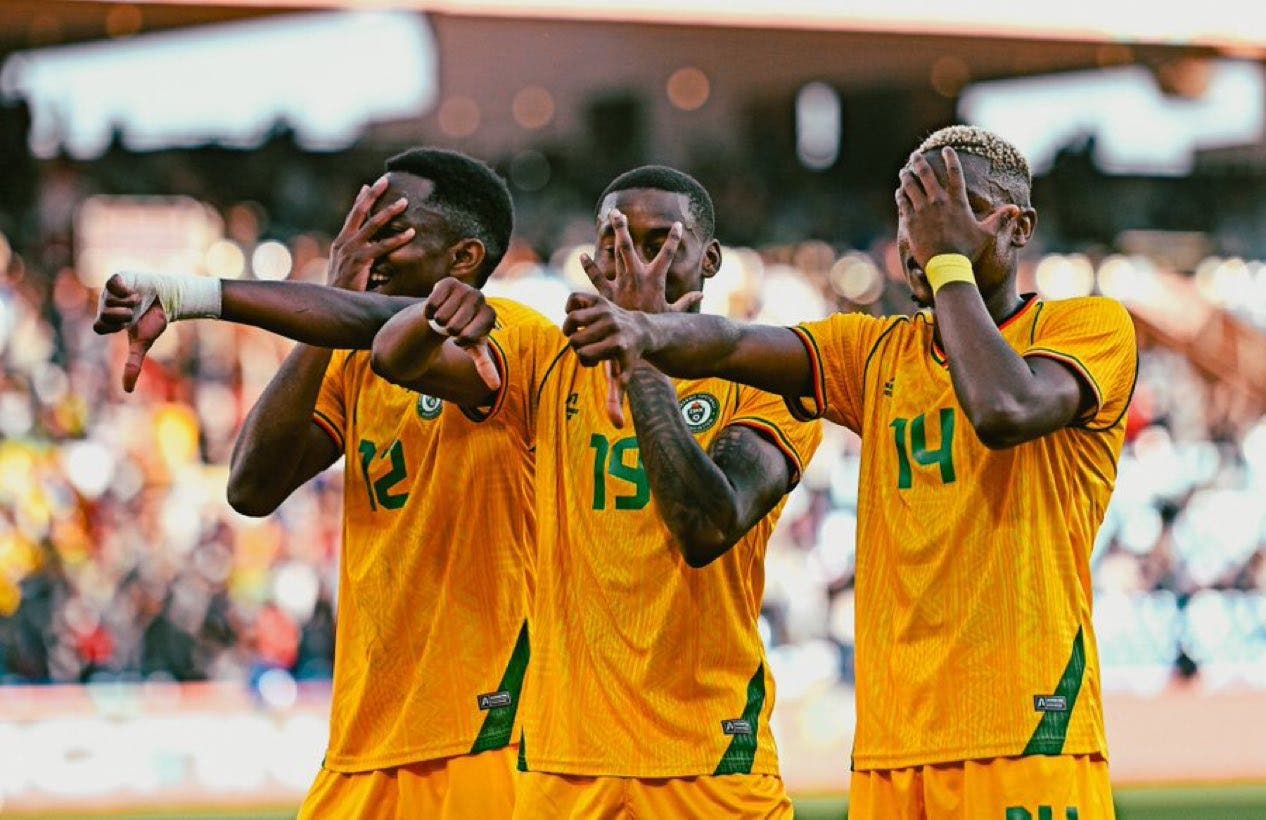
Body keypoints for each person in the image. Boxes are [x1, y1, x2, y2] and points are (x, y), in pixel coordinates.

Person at [561, 127, 1136, 819]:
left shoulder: (1089, 327)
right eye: (912, 213)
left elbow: (1003, 407)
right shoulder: (872, 352)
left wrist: (948, 262)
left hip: (1027, 734)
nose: (925, 234)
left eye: (959, 210)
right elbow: (734, 342)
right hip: (891, 752)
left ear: (1019, 228)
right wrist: (647, 331)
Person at [93, 148, 551, 819]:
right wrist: (328, 309)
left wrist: (195, 296)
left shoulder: (514, 335)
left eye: (390, 229)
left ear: (464, 258)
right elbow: (252, 487)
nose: (365, 244)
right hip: (364, 737)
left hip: (485, 732)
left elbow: (393, 343)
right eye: (360, 224)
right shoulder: (352, 362)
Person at [370, 166, 822, 818]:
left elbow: (704, 527)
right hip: (565, 764)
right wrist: (432, 317)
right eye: (616, 245)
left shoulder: (763, 378)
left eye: (660, 242)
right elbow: (391, 357)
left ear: (711, 260)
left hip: (708, 757)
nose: (635, 264)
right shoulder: (544, 359)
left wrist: (643, 352)